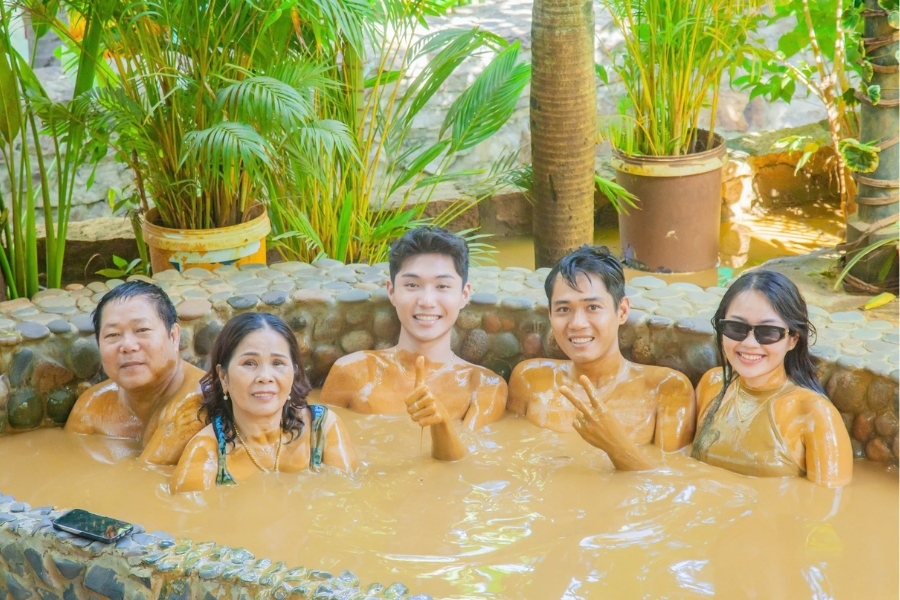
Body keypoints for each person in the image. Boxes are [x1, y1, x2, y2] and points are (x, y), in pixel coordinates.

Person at [320, 226, 508, 461]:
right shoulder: (352, 372)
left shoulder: (483, 386)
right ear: (392, 291)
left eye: (442, 286)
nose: (427, 301)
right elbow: (323, 454)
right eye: (412, 285)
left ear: (464, 294)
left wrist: (442, 424)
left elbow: (465, 466)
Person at [508, 246, 696, 470]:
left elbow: (674, 483)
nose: (577, 323)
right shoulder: (531, 379)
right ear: (550, 314)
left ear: (622, 311)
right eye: (563, 310)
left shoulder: (667, 390)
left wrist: (617, 446)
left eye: (593, 307)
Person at [689, 270, 852, 486]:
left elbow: (829, 506)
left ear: (793, 339)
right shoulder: (713, 384)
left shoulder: (814, 414)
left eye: (768, 332)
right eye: (736, 328)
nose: (749, 343)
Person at [170, 313, 358, 492]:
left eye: (277, 363)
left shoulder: (322, 429)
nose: (265, 377)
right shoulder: (205, 454)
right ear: (224, 377)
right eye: (249, 363)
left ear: (294, 373)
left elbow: (347, 500)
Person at [65, 281, 205, 465]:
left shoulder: (199, 400)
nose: (128, 346)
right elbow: (66, 465)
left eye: (142, 330)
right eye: (113, 335)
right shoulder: (91, 406)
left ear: (174, 336)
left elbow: (143, 480)